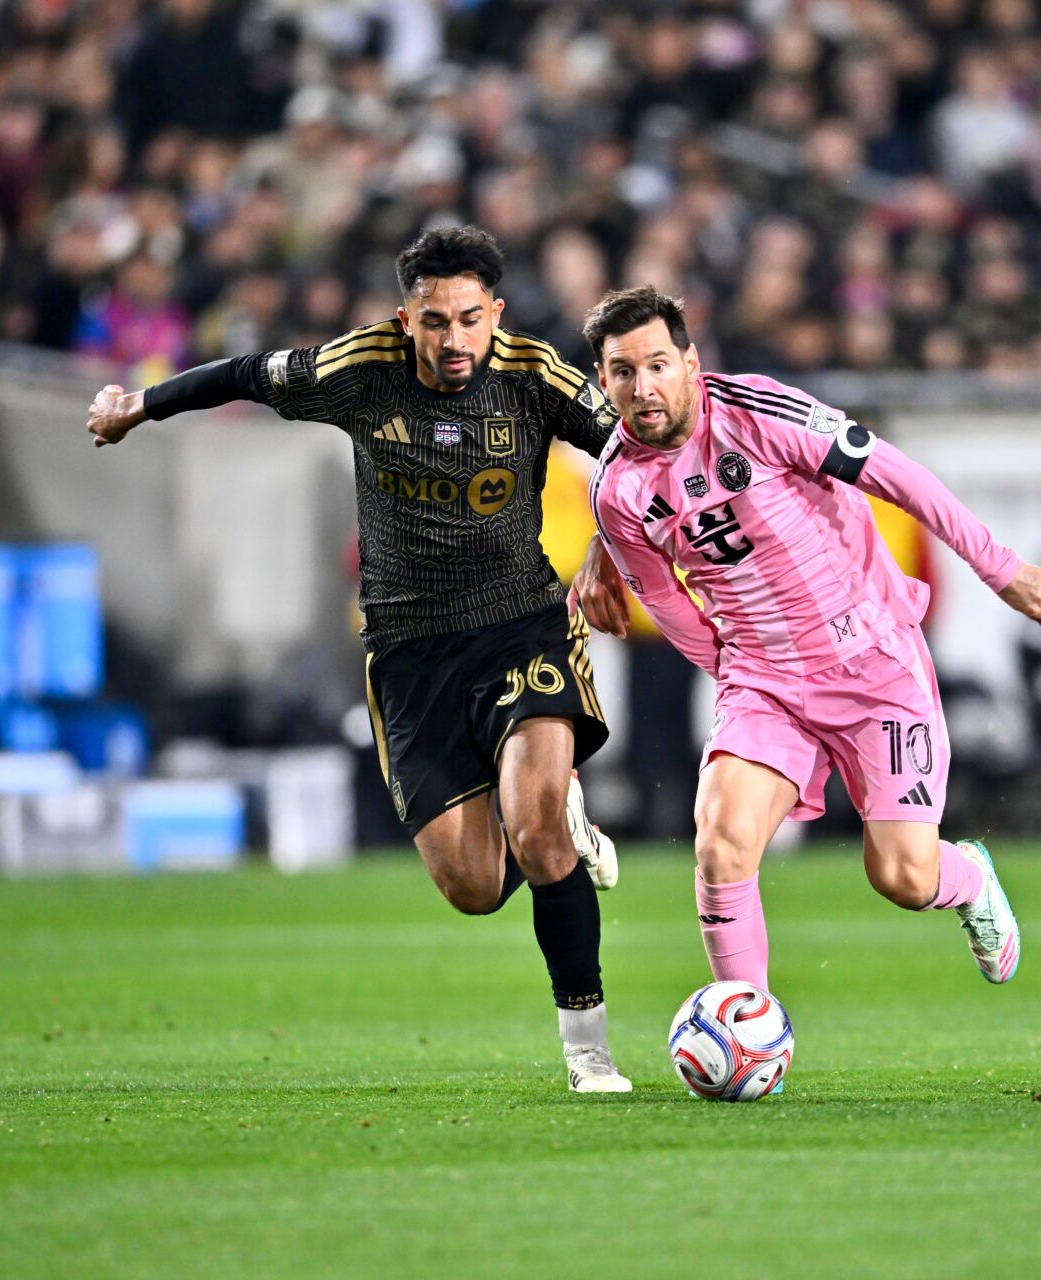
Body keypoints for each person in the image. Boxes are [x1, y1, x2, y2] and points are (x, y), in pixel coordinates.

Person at [84, 226, 637, 1095]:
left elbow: (634, 451)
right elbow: (243, 375)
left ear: (494, 312)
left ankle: (589, 1051)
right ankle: (550, 817)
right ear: (404, 318)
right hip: (407, 646)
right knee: (473, 886)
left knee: (536, 836)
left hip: (519, 622)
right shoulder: (357, 369)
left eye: (468, 319)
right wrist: (138, 407)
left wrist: (609, 549)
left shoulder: (533, 374)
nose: (453, 340)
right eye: (433, 321)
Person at [569, 285, 1041, 1000]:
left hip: (872, 658)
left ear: (690, 362)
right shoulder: (616, 490)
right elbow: (660, 595)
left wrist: (1000, 567)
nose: (643, 386)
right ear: (605, 382)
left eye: (657, 364)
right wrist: (728, 666)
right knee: (721, 844)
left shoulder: (757, 412)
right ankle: (749, 1022)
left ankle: (966, 876)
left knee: (902, 875)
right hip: (764, 683)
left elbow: (893, 474)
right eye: (623, 372)